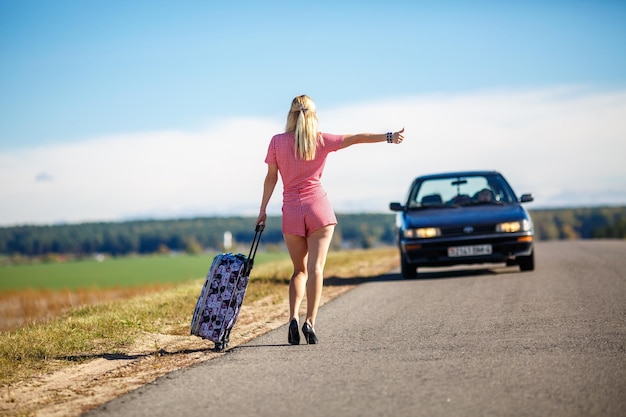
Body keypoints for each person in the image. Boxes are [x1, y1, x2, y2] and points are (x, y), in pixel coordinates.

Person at [255, 95, 404, 345]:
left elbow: (271, 178)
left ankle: (292, 317)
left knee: (299, 271)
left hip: (291, 211)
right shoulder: (321, 140)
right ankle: (309, 322)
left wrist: (262, 210)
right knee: (316, 269)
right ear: (314, 115)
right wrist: (388, 136)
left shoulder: (276, 142)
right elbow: (358, 138)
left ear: (290, 115)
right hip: (318, 210)